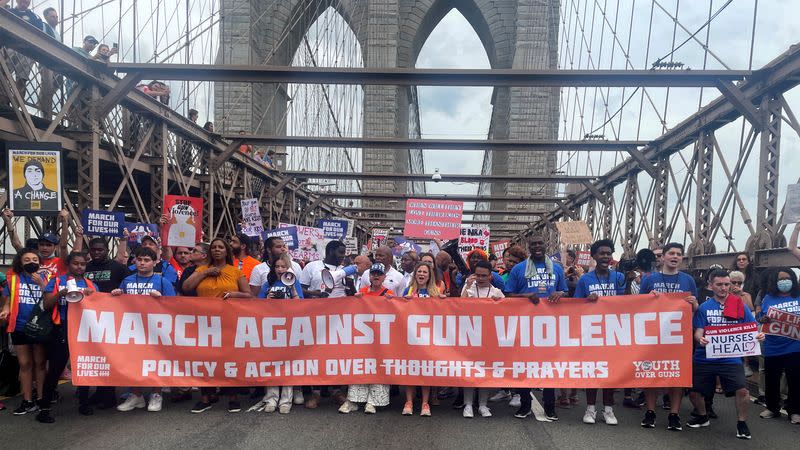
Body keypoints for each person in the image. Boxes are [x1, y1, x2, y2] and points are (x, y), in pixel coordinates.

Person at [688, 269, 763, 439]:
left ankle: (742, 423)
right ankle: (702, 415)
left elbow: (752, 329)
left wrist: (758, 335)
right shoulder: (704, 308)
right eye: (719, 284)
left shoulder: (739, 304)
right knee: (693, 393)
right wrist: (700, 339)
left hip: (730, 358)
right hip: (704, 357)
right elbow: (698, 331)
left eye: (727, 284)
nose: (724, 288)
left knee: (743, 391)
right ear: (711, 285)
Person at [180, 238, 248, 413]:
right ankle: (206, 397)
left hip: (229, 322)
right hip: (205, 323)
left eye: (221, 247)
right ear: (210, 252)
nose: (217, 250)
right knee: (204, 358)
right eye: (214, 248)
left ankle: (233, 397)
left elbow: (250, 296)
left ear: (227, 251)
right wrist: (205, 273)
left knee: (229, 359)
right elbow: (186, 287)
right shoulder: (201, 270)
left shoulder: (235, 272)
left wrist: (234, 294)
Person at [504, 234, 566, 421]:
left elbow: (565, 291)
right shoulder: (519, 269)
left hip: (549, 327)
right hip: (525, 326)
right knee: (525, 367)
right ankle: (525, 405)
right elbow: (508, 295)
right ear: (529, 247)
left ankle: (549, 407)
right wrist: (526, 297)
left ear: (545, 245)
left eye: (540, 242)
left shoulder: (556, 268)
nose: (537, 246)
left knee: (549, 368)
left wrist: (560, 293)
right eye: (534, 244)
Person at [638, 242, 699, 430]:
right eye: (671, 253)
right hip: (653, 335)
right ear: (662, 257)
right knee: (651, 372)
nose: (675, 257)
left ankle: (674, 414)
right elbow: (638, 306)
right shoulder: (649, 279)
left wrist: (694, 303)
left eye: (679, 254)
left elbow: (695, 310)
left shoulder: (688, 280)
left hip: (678, 337)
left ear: (682, 258)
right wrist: (649, 298)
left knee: (676, 375)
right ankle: (650, 412)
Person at [112, 247, 176, 412]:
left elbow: (174, 306)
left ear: (155, 262)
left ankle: (156, 394)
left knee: (155, 362)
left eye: (147, 260)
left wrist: (161, 299)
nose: (142, 263)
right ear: (135, 261)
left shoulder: (162, 281)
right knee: (133, 362)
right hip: (133, 329)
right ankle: (136, 395)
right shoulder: (127, 280)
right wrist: (116, 295)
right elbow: (117, 305)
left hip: (156, 330)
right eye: (140, 259)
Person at [36, 252, 96, 423]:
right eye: (76, 263)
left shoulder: (90, 284)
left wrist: (93, 295)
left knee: (84, 367)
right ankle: (44, 408)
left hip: (83, 331)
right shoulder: (56, 281)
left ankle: (84, 403)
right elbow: (46, 305)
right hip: (60, 329)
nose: (79, 267)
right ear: (68, 264)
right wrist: (60, 293)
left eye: (83, 264)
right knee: (55, 370)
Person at [572, 239, 625, 426]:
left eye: (608, 253)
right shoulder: (585, 280)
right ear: (594, 256)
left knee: (611, 372)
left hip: (613, 331)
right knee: (593, 370)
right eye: (601, 253)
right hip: (591, 332)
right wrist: (587, 299)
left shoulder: (618, 277)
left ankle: (609, 410)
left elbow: (626, 304)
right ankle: (590, 409)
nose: (605, 257)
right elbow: (576, 305)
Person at [338, 263, 394, 415]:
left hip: (381, 338)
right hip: (363, 339)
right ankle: (354, 400)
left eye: (379, 274)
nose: (376, 276)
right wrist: (355, 301)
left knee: (379, 366)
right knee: (360, 365)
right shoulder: (362, 292)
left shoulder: (389, 293)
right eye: (373, 273)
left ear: (384, 277)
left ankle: (373, 401)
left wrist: (393, 302)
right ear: (369, 276)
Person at [0, 248, 50, 415]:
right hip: (19, 327)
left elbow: (51, 300)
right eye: (27, 259)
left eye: (35, 259)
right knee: (25, 364)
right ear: (20, 262)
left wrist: (42, 284)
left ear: (39, 262)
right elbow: (7, 301)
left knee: (40, 364)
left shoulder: (47, 278)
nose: (31, 262)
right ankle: (27, 400)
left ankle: (43, 399)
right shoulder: (13, 280)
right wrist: (5, 310)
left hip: (39, 327)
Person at [254, 254, 302, 414]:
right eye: (277, 266)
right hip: (271, 329)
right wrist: (268, 298)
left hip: (290, 328)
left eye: (283, 266)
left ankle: (286, 400)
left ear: (288, 268)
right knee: (272, 364)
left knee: (288, 364)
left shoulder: (294, 283)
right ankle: (271, 398)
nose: (280, 269)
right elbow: (258, 306)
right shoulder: (268, 283)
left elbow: (302, 305)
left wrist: (293, 288)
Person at [756, 268, 800, 424]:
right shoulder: (768, 298)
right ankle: (772, 407)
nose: (784, 282)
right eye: (780, 279)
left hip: (795, 347)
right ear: (775, 282)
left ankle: (794, 410)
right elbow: (760, 317)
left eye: (787, 278)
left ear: (793, 280)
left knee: (795, 380)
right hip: (773, 346)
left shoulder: (798, 296)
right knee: (772, 379)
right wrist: (764, 319)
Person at [460, 260, 503, 418]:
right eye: (477, 275)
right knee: (469, 370)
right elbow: (458, 306)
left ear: (490, 276)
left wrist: (500, 304)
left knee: (485, 371)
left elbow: (506, 312)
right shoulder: (469, 288)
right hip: (470, 335)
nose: (480, 278)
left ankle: (483, 405)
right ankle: (468, 404)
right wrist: (468, 286)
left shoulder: (496, 292)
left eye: (484, 275)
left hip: (488, 337)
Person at [401, 262, 444, 417]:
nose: (421, 274)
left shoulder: (435, 291)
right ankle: (409, 401)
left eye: (425, 272)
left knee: (425, 371)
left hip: (428, 338)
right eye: (419, 271)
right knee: (410, 370)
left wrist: (443, 301)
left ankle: (425, 403)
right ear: (415, 274)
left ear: (429, 275)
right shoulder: (409, 290)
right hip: (410, 337)